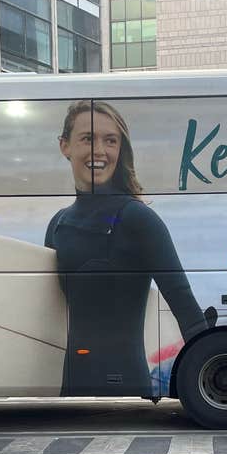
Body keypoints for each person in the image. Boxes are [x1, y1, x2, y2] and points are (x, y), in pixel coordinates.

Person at [46, 100, 211, 396]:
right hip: (70, 383)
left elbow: (185, 306)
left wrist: (208, 381)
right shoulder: (58, 224)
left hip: (126, 382)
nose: (99, 150)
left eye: (110, 140)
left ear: (120, 149)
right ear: (65, 146)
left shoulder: (138, 219)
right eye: (88, 138)